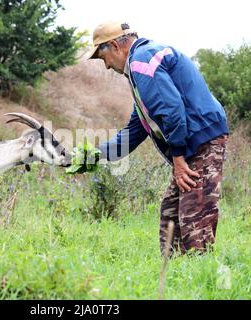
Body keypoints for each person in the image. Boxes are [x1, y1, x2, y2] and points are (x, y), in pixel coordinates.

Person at [89, 21, 229, 255]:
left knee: (194, 213)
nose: (106, 67)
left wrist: (177, 157)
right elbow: (135, 130)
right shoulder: (141, 65)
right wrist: (95, 156)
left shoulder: (142, 61)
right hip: (193, 141)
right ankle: (173, 274)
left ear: (114, 46)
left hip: (202, 139)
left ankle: (203, 278)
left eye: (103, 58)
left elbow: (171, 110)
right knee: (171, 211)